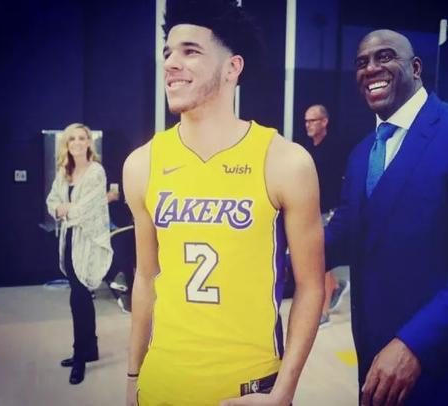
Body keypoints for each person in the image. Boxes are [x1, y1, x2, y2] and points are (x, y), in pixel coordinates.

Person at [122, 1, 324, 405]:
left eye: (190, 51)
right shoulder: (141, 164)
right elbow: (146, 277)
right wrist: (132, 378)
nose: (171, 63)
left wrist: (283, 393)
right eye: (168, 52)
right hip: (161, 384)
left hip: (247, 387)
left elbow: (311, 286)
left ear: (233, 68)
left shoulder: (285, 161)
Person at [325, 29, 448, 405]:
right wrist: (273, 253)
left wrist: (414, 343)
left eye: (385, 57)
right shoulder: (362, 153)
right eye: (362, 62)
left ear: (415, 67)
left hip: (445, 360)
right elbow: (345, 232)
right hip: (375, 357)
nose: (371, 68)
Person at [46, 123, 113, 385]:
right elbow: (52, 201)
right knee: (81, 297)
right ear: (67, 143)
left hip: (88, 242)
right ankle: (91, 349)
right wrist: (59, 209)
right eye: (72, 138)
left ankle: (80, 357)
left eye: (82, 138)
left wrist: (66, 210)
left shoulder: (96, 172)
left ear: (88, 143)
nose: (76, 142)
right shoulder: (64, 172)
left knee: (79, 299)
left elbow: (86, 210)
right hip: (69, 241)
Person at [302, 104, 349, 328]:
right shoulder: (309, 149)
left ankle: (324, 312)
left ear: (324, 122)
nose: (308, 125)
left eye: (312, 120)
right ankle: (337, 286)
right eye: (306, 121)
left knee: (321, 260)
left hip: (329, 211)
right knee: (318, 259)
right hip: (312, 212)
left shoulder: (335, 148)